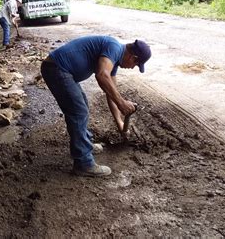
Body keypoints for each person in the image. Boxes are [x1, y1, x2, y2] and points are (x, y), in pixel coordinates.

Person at [41, 36, 151, 177]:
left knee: (82, 107)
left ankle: (85, 144)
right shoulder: (114, 48)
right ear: (133, 57)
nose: (132, 68)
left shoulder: (114, 61)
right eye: (136, 65)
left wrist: (119, 122)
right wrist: (122, 103)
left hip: (62, 70)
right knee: (78, 111)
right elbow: (101, 75)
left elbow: (111, 93)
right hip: (57, 68)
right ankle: (83, 163)